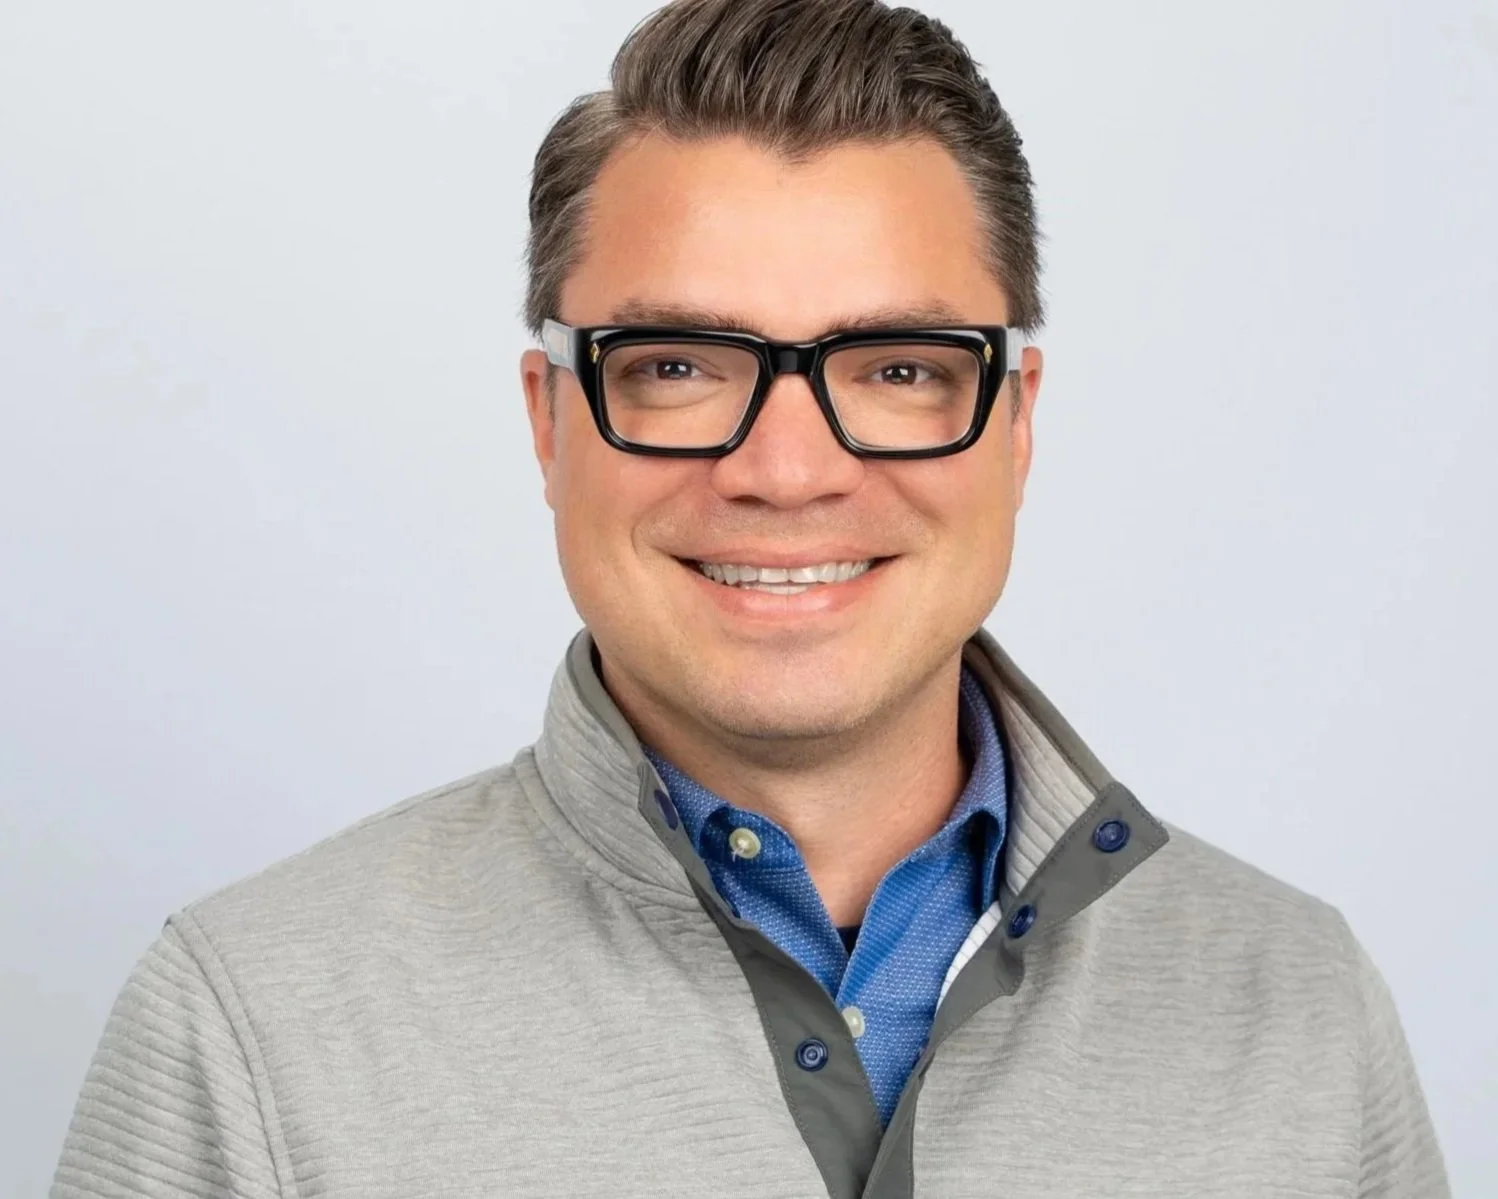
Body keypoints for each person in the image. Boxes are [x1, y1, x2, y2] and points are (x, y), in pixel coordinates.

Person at [50, 1, 1449, 1196]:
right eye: (676, 366)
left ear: (1013, 420)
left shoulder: (1295, 1012)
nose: (786, 469)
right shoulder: (247, 1026)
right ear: (549, 420)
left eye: (897, 368)